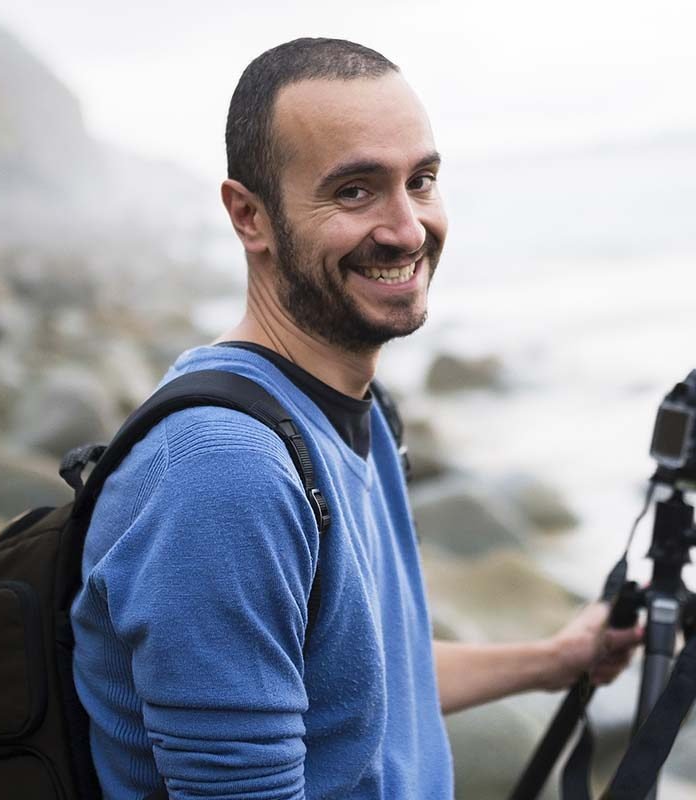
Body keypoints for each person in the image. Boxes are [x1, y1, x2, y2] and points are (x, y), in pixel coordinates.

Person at [71, 38, 642, 799]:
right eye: (354, 191)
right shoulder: (226, 470)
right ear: (251, 216)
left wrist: (558, 658)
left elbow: (363, 680)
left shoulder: (343, 412)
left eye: (422, 181)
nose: (408, 229)